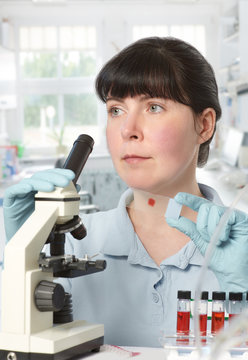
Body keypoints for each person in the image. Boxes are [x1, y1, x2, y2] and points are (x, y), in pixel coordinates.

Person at [2, 37, 248, 347]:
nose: (127, 129)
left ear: (204, 124)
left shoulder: (241, 250)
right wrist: (20, 263)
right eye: (116, 110)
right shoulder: (72, 247)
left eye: (154, 107)